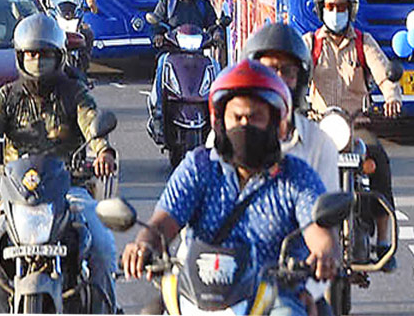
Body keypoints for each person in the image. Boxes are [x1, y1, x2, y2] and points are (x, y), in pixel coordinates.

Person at [121, 60, 337, 316]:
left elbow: (319, 233)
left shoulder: (297, 177)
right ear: (220, 122)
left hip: (273, 297)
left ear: (276, 123)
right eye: (237, 117)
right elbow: (162, 224)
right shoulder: (198, 167)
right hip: (195, 295)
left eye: (255, 117)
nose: (244, 125)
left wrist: (324, 255)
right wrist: (143, 246)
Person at [0, 14, 118, 313]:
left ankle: (109, 308)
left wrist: (102, 153)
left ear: (59, 57)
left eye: (44, 56)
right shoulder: (7, 97)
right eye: (31, 55)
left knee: (102, 246)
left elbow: (91, 123)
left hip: (69, 192)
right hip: (16, 199)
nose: (37, 62)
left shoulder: (74, 92)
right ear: (20, 57)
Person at [303, 0, 401, 269]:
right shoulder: (310, 43)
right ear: (322, 9)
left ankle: (384, 240)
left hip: (356, 125)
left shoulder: (363, 42)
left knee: (379, 164)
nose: (336, 13)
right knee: (295, 169)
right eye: (330, 7)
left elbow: (383, 71)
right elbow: (293, 73)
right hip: (320, 125)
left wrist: (392, 94)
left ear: (351, 9)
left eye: (341, 7)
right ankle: (297, 238)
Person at [243, 22, 340, 192]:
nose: (278, 79)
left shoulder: (319, 144)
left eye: (287, 71)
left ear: (300, 79)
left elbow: (326, 211)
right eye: (270, 69)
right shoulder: (225, 137)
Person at [147, 0, 222, 141]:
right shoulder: (167, 4)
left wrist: (217, 34)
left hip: (198, 54)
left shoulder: (203, 5)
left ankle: (220, 117)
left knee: (215, 66)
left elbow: (213, 24)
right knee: (162, 65)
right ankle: (158, 115)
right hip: (173, 53)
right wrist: (157, 36)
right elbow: (155, 24)